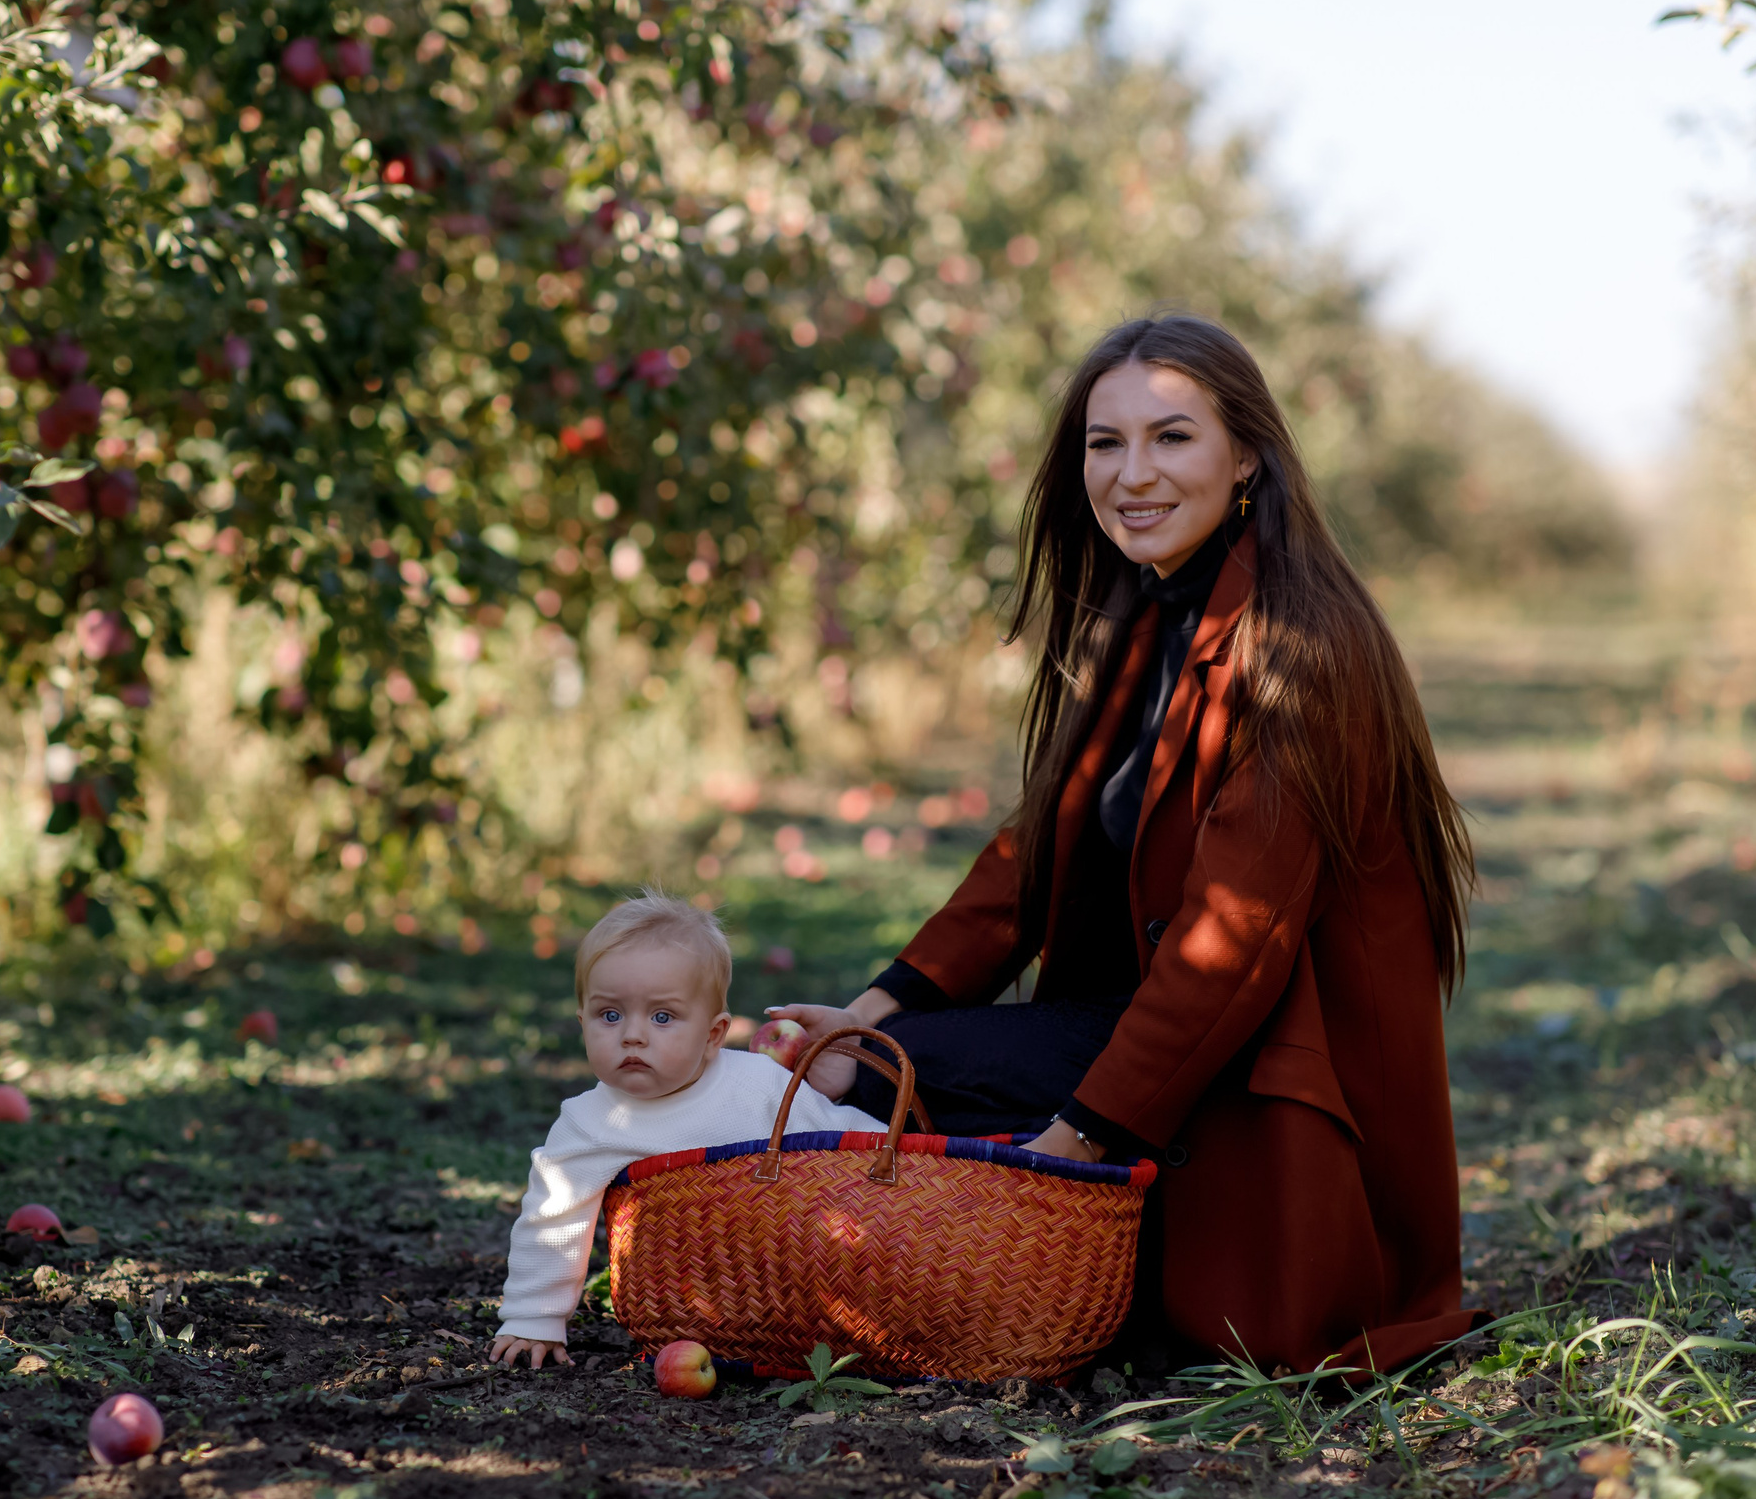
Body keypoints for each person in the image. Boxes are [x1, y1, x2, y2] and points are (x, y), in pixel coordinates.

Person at [772, 314, 1482, 1377]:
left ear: (1247, 456)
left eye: (1171, 438)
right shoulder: (1144, 616)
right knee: (832, 1063)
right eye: (1106, 443)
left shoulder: (1301, 649)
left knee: (862, 1091)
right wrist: (873, 1014)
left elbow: (1227, 948)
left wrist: (1073, 1148)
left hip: (1263, 1080)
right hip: (1151, 1031)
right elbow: (1032, 854)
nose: (1131, 474)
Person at [489, 890, 886, 1369]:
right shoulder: (590, 1121)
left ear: (713, 1034)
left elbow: (838, 1138)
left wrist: (903, 1156)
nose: (632, 1034)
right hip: (685, 1294)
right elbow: (552, 1216)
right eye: (609, 1015)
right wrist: (534, 1318)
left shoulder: (759, 1084)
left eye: (662, 1017)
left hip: (795, 1270)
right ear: (582, 1022)